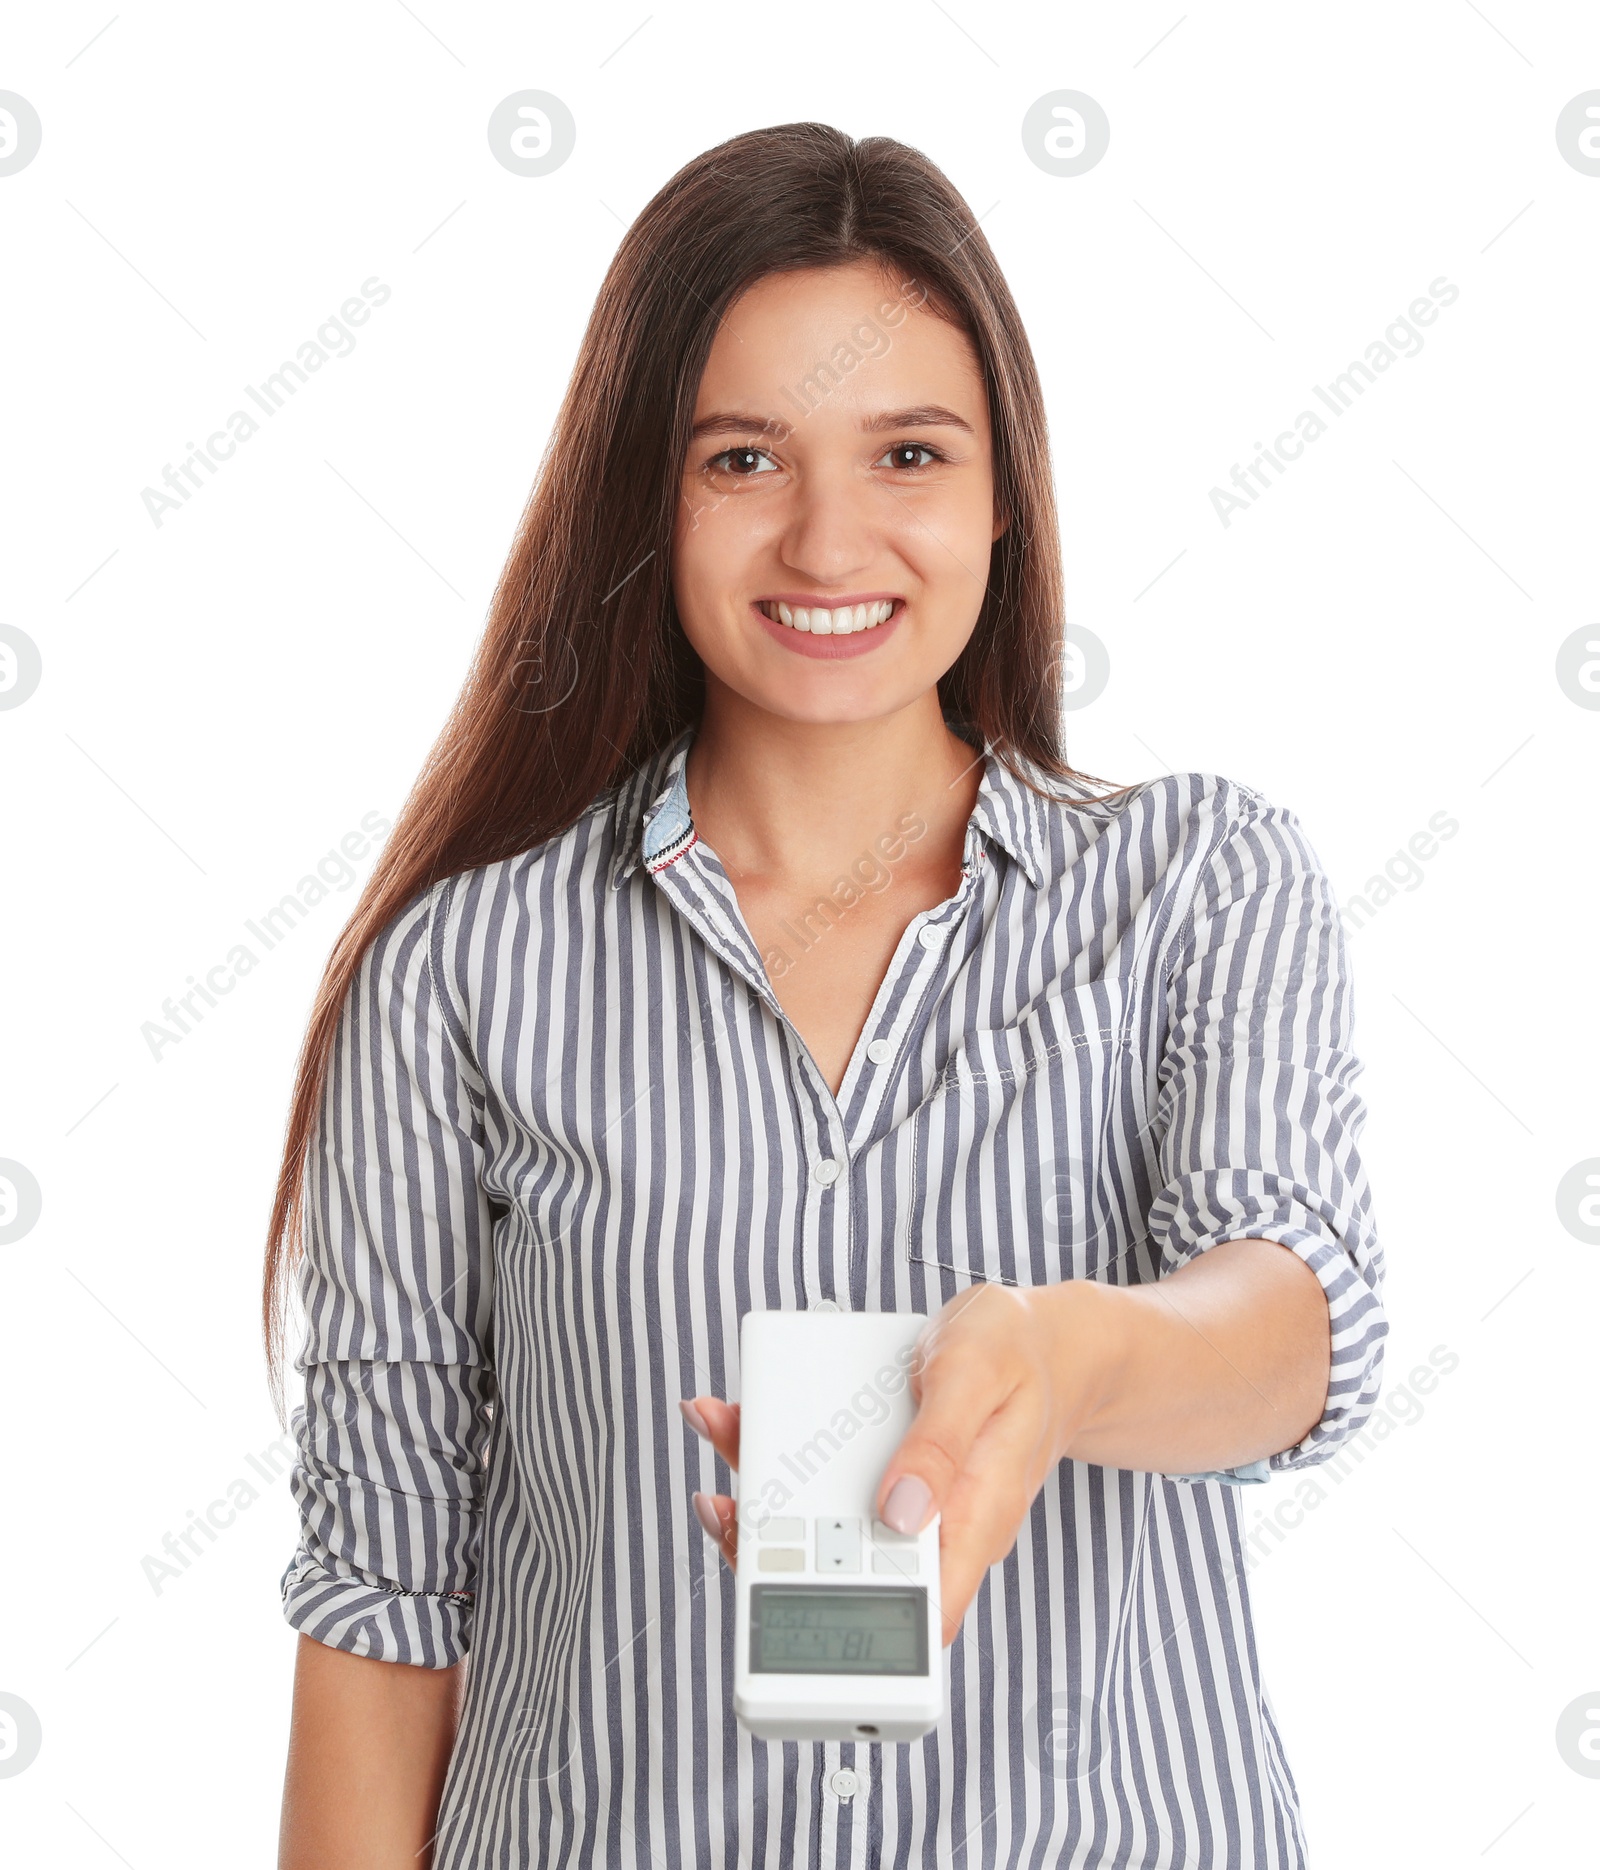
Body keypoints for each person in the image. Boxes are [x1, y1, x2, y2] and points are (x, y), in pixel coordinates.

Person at [265, 122, 1387, 1870]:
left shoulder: (1194, 886)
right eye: (742, 460)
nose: (827, 536)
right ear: (650, 489)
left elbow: (1289, 1330)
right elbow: (384, 1596)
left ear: (1003, 493)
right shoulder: (462, 975)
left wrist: (1069, 1358)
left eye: (909, 453)